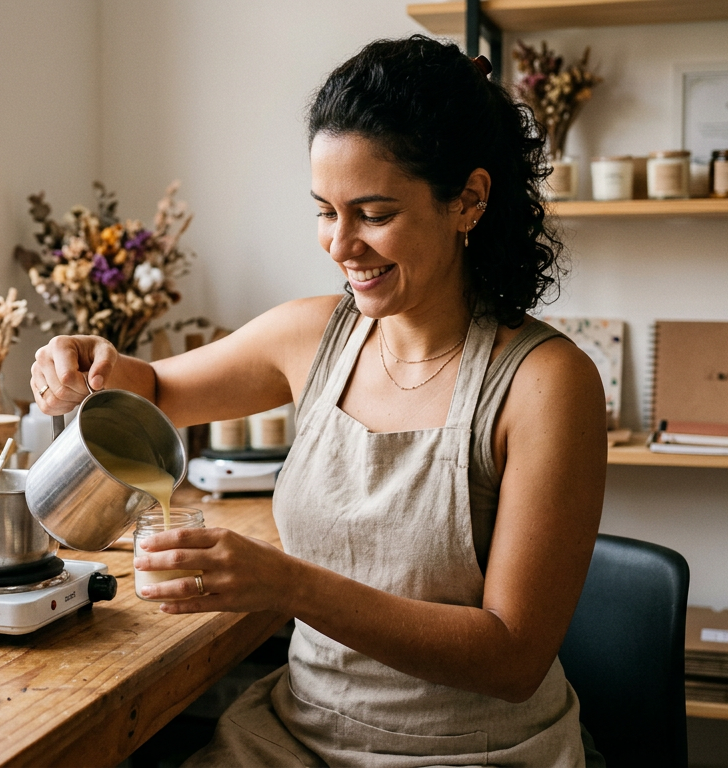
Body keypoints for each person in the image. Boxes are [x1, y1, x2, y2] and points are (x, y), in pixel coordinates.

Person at [31, 34, 607, 768]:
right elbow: (153, 391)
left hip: (469, 751)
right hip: (297, 734)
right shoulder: (310, 335)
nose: (340, 245)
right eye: (324, 211)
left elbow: (511, 657)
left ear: (468, 200)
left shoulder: (546, 385)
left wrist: (286, 584)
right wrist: (88, 362)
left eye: (372, 213)